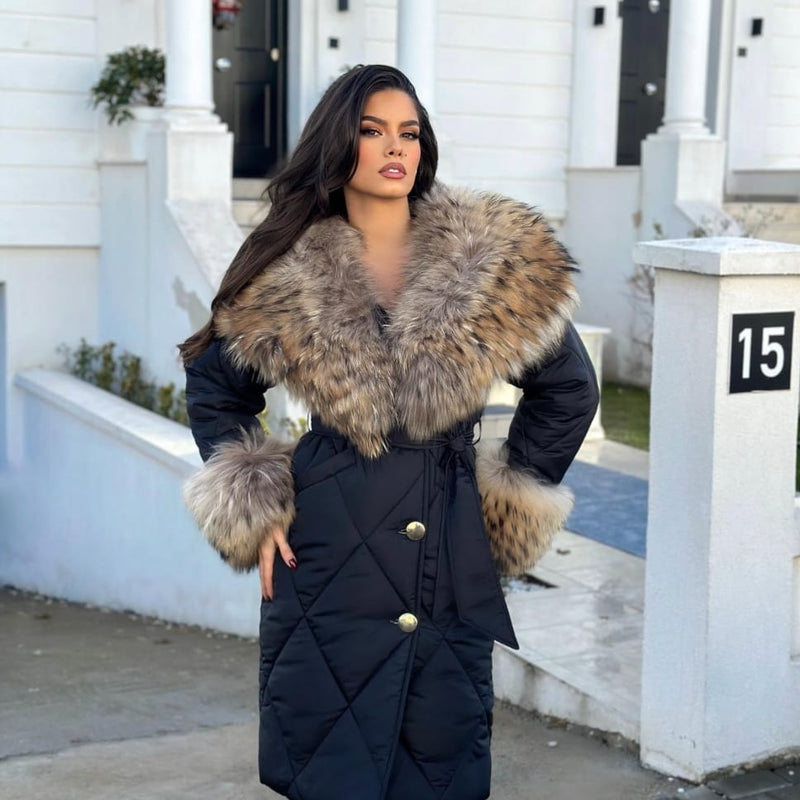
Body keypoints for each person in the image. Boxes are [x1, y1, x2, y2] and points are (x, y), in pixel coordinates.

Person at [180, 64, 599, 800]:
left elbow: (567, 390)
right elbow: (217, 386)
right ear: (338, 145)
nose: (393, 147)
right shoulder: (288, 268)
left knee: (440, 766)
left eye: (408, 131)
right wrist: (253, 504)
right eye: (372, 131)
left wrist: (501, 502)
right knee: (328, 767)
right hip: (327, 549)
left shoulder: (490, 261)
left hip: (447, 544)